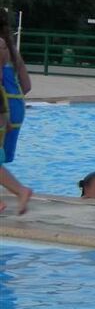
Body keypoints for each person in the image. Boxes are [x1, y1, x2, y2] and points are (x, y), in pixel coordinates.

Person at [0, 14, 33, 214]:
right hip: (16, 105)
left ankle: (20, 191)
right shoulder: (12, 50)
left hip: (3, 106)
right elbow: (27, 86)